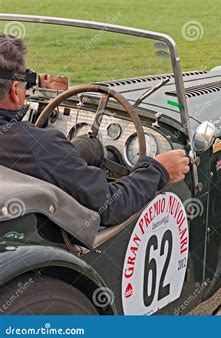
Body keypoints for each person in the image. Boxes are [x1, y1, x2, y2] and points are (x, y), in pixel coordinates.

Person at [0, 34, 190, 226]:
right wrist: (158, 170)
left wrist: (69, 154)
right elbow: (111, 206)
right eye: (26, 86)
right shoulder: (38, 147)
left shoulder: (36, 148)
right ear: (15, 89)